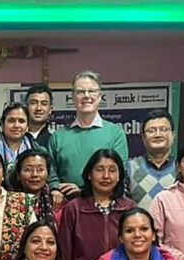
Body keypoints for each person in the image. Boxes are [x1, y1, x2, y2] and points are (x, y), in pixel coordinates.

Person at [48, 71, 129, 199]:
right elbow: (50, 171)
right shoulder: (58, 136)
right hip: (67, 206)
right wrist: (55, 188)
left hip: (103, 205)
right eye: (80, 92)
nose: (86, 96)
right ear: (73, 97)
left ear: (100, 96)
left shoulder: (116, 133)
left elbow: (119, 172)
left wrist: (84, 190)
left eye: (92, 91)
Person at [59, 149, 137, 260]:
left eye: (112, 170)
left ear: (119, 176)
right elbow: (64, 253)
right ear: (89, 174)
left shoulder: (129, 208)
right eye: (100, 169)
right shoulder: (74, 208)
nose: (106, 176)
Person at [126, 109, 176, 209]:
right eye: (151, 130)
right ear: (143, 137)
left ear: (173, 135)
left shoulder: (183, 167)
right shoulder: (130, 167)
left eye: (163, 129)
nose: (158, 135)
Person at [9, 148, 62, 222]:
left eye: (40, 169)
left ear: (48, 174)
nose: (35, 174)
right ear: (18, 175)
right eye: (28, 169)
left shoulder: (57, 202)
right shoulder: (9, 202)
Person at [0, 103, 43, 179]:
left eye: (21, 121)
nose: (16, 125)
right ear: (2, 124)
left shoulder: (38, 150)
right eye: (11, 120)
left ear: (27, 126)